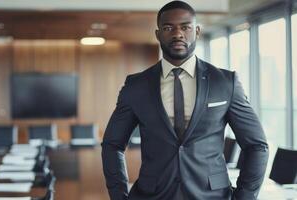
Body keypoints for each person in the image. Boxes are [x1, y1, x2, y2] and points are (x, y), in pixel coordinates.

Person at [101, 1, 269, 199]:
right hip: (152, 194)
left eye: (185, 27)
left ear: (196, 31)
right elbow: (112, 145)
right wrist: (119, 195)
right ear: (158, 34)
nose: (177, 33)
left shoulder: (225, 83)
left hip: (212, 195)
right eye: (168, 27)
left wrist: (244, 197)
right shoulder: (136, 86)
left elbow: (257, 146)